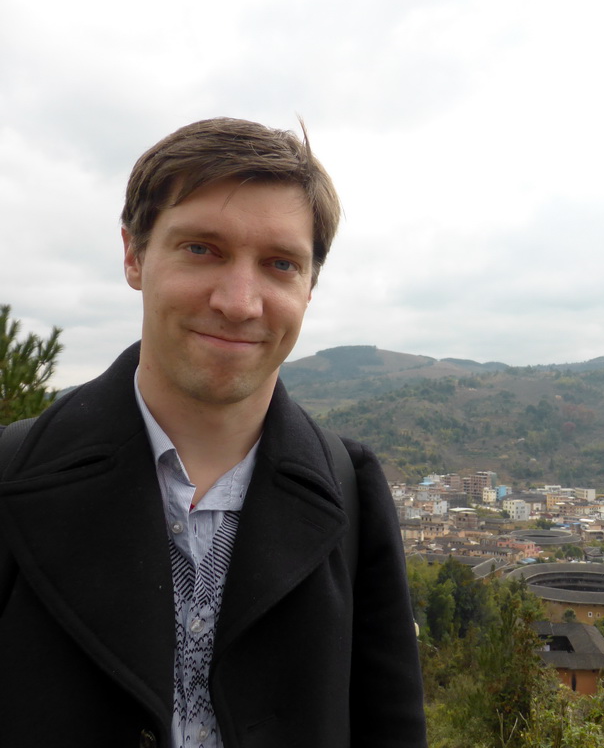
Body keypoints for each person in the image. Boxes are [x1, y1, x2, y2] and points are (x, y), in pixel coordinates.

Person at [0, 118, 427, 747]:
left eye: (280, 264)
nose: (239, 301)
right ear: (133, 254)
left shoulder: (351, 493)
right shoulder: (12, 478)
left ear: (310, 286)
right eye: (203, 248)